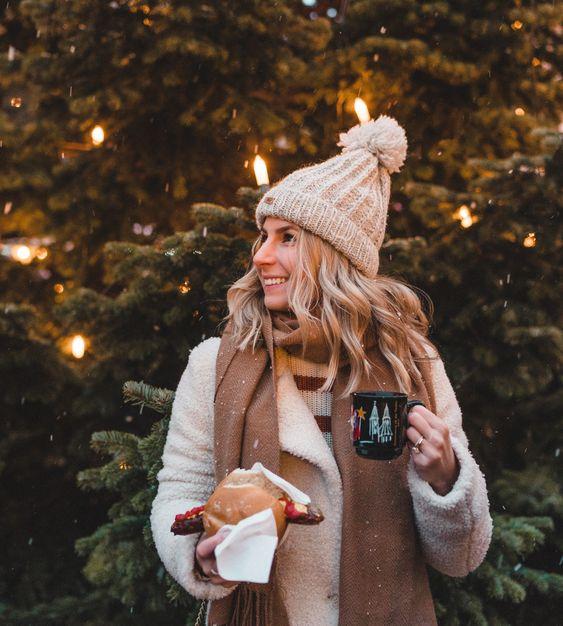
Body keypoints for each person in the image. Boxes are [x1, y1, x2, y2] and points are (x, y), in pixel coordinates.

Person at [150, 116, 493, 626]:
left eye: (287, 238)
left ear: (333, 256)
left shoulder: (411, 366)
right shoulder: (215, 365)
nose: (262, 256)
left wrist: (445, 478)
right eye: (263, 237)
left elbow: (460, 558)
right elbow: (179, 491)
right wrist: (201, 554)